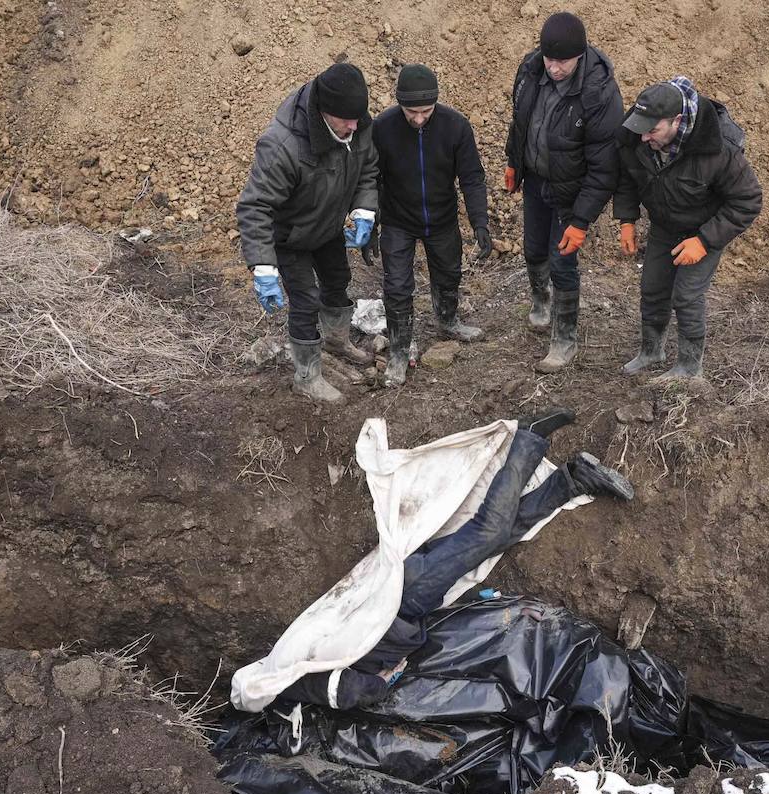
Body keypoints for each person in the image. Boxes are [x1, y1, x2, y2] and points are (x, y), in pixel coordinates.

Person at [278, 408, 635, 710]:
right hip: (404, 596)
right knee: (500, 536)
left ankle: (529, 437)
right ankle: (573, 480)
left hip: (403, 596)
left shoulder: (288, 685)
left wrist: (382, 683)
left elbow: (352, 690)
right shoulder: (294, 668)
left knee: (489, 532)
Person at [236, 63, 380, 405]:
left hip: (326, 226)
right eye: (345, 120)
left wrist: (364, 209)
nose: (353, 126)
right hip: (289, 237)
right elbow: (255, 207)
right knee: (305, 300)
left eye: (357, 117)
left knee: (338, 281)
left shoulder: (356, 124)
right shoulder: (283, 145)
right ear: (323, 111)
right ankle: (307, 376)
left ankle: (335, 340)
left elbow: (368, 169)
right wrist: (262, 267)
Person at [612, 78, 763, 380]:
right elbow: (627, 176)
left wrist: (705, 241)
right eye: (642, 130)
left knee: (687, 296)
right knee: (653, 288)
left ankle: (689, 367)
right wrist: (627, 219)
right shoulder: (637, 132)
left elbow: (747, 200)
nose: (644, 138)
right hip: (665, 226)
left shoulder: (718, 149)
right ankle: (652, 350)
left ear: (676, 121)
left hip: (704, 229)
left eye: (652, 131)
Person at [503, 11, 624, 373]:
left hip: (570, 192)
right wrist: (514, 161)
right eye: (549, 59)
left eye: (563, 62)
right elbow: (520, 122)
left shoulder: (599, 94)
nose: (554, 68)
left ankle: (564, 339)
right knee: (533, 249)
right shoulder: (530, 70)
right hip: (536, 179)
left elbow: (605, 169)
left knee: (562, 262)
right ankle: (540, 304)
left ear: (580, 55)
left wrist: (582, 221)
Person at [371, 65, 492, 388]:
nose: (420, 118)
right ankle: (398, 350)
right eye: (412, 112)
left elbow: (471, 177)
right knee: (396, 286)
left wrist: (480, 221)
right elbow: (370, 179)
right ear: (400, 105)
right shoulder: (382, 128)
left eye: (426, 111)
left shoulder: (455, 127)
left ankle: (448, 320)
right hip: (398, 219)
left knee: (449, 272)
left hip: (441, 218)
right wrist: (370, 222)